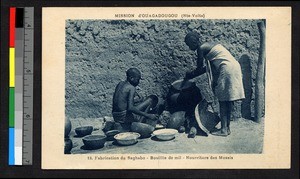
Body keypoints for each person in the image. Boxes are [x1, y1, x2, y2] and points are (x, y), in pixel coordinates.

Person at [184, 31, 245, 137]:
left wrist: (190, 75)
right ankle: (227, 128)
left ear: (193, 42)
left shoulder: (201, 48)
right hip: (233, 67)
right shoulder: (209, 46)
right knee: (227, 100)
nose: (189, 48)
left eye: (189, 45)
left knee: (222, 100)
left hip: (227, 68)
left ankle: (223, 130)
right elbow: (207, 68)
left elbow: (199, 68)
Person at [112, 68, 159, 132]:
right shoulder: (131, 88)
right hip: (123, 117)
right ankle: (139, 124)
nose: (138, 82)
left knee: (141, 102)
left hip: (115, 116)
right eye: (138, 80)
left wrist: (138, 101)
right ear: (131, 78)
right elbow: (130, 108)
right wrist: (148, 115)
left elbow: (122, 102)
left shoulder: (120, 84)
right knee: (151, 99)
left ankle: (138, 120)